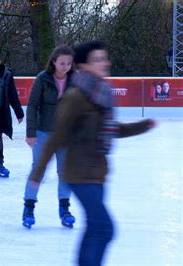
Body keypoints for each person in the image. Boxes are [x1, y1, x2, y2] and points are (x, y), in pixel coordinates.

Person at [29, 41, 155, 266]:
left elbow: (111, 129)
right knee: (104, 228)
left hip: (97, 173)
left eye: (105, 58)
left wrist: (142, 126)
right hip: (79, 173)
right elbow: (57, 137)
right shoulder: (76, 96)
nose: (105, 63)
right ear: (84, 66)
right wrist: (37, 174)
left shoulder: (100, 93)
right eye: (98, 59)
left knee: (94, 228)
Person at [22, 45, 76, 229]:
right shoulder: (43, 79)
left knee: (65, 172)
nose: (65, 66)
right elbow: (32, 106)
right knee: (38, 170)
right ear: (54, 61)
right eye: (62, 63)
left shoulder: (74, 80)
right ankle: (28, 208)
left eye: (69, 63)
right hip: (43, 132)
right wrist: (31, 132)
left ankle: (65, 209)